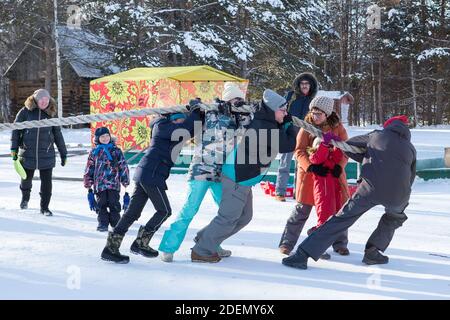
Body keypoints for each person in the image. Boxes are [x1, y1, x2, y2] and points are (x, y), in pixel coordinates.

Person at [282, 115, 417, 269]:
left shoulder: (376, 135)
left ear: (388, 126)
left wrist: (369, 157)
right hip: (399, 195)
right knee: (394, 218)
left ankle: (302, 255)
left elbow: (347, 146)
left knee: (343, 218)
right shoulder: (410, 148)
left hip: (370, 188)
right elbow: (411, 177)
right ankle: (373, 252)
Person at [191, 89, 297, 263]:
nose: (285, 113)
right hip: (236, 177)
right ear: (272, 110)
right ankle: (201, 251)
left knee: (244, 217)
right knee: (229, 217)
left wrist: (284, 120)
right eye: (283, 110)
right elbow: (289, 144)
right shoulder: (265, 126)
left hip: (244, 178)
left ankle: (205, 238)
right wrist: (288, 123)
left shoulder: (266, 119)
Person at [158, 84, 250, 262]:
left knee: (226, 213)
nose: (237, 102)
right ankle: (168, 247)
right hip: (201, 169)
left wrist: (246, 112)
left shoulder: (240, 117)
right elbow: (194, 121)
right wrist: (195, 107)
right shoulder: (211, 111)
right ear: (226, 98)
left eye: (240, 100)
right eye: (234, 99)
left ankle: (211, 244)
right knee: (190, 209)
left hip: (221, 173)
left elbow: (246, 131)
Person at [100, 103, 202, 264]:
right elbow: (187, 128)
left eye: (183, 120)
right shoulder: (162, 126)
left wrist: (199, 113)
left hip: (149, 173)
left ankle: (110, 249)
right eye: (179, 120)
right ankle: (141, 243)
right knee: (164, 210)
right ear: (172, 119)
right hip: (151, 174)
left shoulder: (171, 129)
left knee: (132, 213)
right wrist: (194, 113)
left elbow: (191, 129)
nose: (181, 124)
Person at [279, 96, 350, 256]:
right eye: (313, 112)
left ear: (327, 114)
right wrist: (310, 167)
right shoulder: (307, 128)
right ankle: (287, 243)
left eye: (318, 113)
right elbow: (299, 151)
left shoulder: (338, 128)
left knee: (338, 210)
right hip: (311, 177)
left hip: (332, 176)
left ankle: (340, 243)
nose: (314, 116)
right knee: (301, 211)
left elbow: (346, 149)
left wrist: (340, 166)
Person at [10, 89, 67, 216]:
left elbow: (58, 134)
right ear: (35, 100)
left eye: (46, 100)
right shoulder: (25, 112)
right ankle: (25, 198)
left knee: (47, 183)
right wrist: (14, 149)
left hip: (46, 154)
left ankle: (45, 207)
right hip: (27, 153)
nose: (44, 102)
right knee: (26, 179)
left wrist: (63, 153)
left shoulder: (51, 113)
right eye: (41, 100)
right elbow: (15, 131)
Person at [274, 73, 318, 201]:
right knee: (284, 164)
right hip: (290, 133)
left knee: (302, 165)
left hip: (305, 136)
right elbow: (280, 110)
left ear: (311, 86)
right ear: (299, 85)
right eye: (302, 84)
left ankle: (298, 192)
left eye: (307, 84)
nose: (304, 86)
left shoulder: (313, 101)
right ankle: (280, 192)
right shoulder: (291, 96)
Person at [306, 133, 345, 259]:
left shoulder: (330, 158)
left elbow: (338, 156)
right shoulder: (315, 157)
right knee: (323, 218)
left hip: (334, 193)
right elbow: (319, 157)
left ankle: (314, 232)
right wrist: (323, 143)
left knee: (333, 218)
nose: (327, 149)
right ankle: (318, 247)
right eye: (323, 146)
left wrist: (337, 146)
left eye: (328, 147)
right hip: (322, 193)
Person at [83, 127, 130, 232]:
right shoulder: (94, 152)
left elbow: (123, 165)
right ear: (97, 139)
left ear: (110, 136)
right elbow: (89, 167)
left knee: (114, 203)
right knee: (101, 204)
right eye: (102, 137)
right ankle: (103, 223)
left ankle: (116, 223)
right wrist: (88, 183)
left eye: (107, 136)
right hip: (100, 184)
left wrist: (125, 179)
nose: (105, 138)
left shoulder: (116, 151)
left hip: (113, 183)